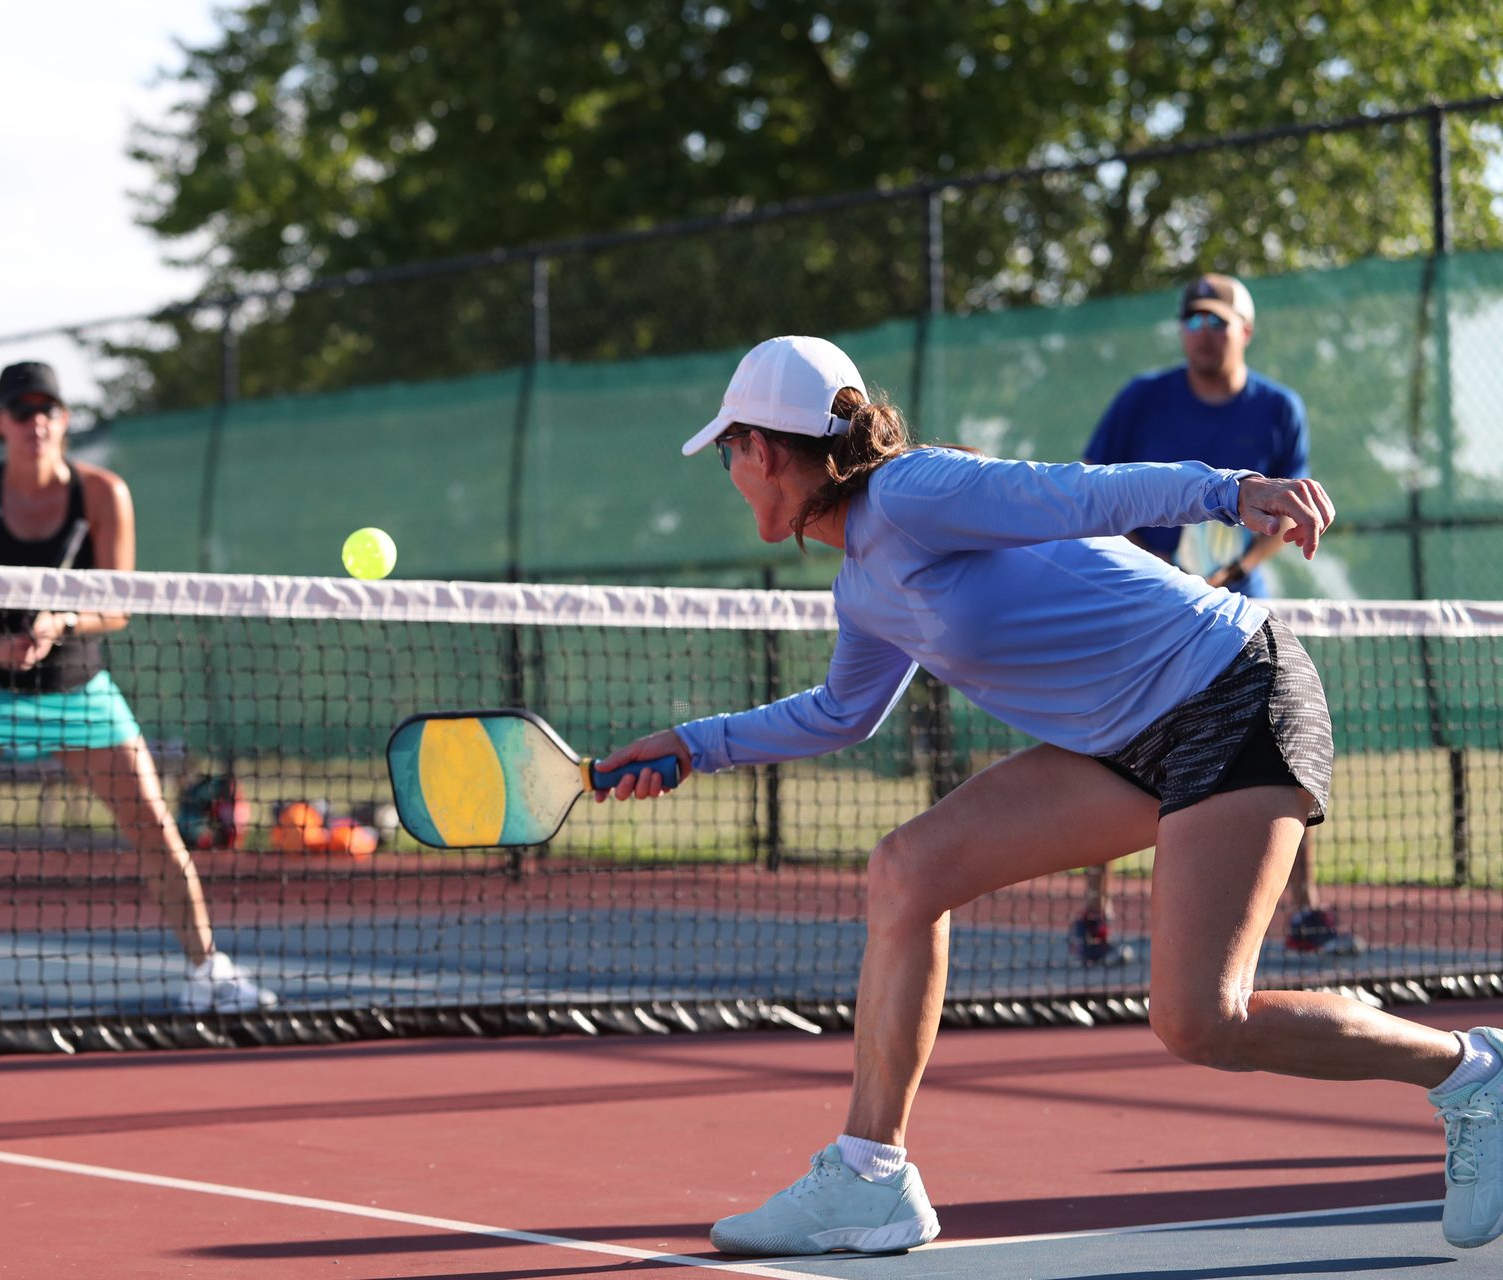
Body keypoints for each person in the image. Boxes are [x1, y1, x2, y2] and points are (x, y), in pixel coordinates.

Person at [596, 335, 1502, 1257]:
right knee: (909, 871)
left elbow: (1081, 493)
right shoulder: (864, 585)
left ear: (760, 449)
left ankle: (1472, 1073)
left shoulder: (913, 491)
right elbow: (842, 713)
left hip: (1233, 690)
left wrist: (1232, 490)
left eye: (728, 450)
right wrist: (691, 745)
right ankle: (870, 1177)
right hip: (1119, 742)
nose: (729, 469)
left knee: (1199, 1019)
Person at [0, 361, 275, 1022]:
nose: (36, 422)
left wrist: (63, 621)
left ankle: (206, 971)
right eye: (22, 411)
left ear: (65, 420)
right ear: (0, 425)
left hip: (79, 688)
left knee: (157, 831)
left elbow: (120, 605)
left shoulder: (103, 494)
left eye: (48, 409)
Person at [1074, 273, 1357, 967]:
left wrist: (1225, 575)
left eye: (1217, 322)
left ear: (1245, 330)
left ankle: (1303, 912)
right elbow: (1091, 489)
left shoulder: (1278, 408)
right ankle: (1095, 914)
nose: (1204, 334)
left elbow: (1287, 509)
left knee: (1281, 749)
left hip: (1236, 618)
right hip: (1144, 602)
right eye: (1193, 322)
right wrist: (1151, 573)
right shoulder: (1141, 400)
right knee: (1112, 741)